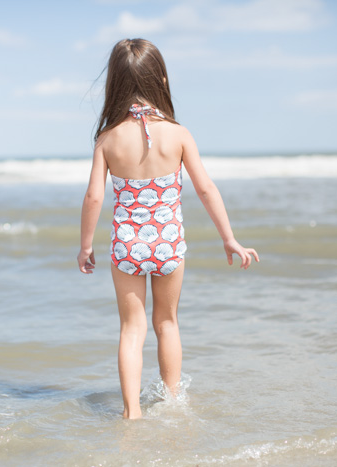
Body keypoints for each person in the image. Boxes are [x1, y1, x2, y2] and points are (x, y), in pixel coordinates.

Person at [77, 38, 259, 419]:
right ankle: (172, 403)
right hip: (168, 244)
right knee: (167, 322)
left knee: (131, 327)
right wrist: (229, 238)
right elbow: (206, 188)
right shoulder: (178, 134)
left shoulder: (108, 139)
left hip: (127, 246)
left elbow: (94, 197)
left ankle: (132, 413)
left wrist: (85, 246)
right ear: (161, 77)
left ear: (114, 83)